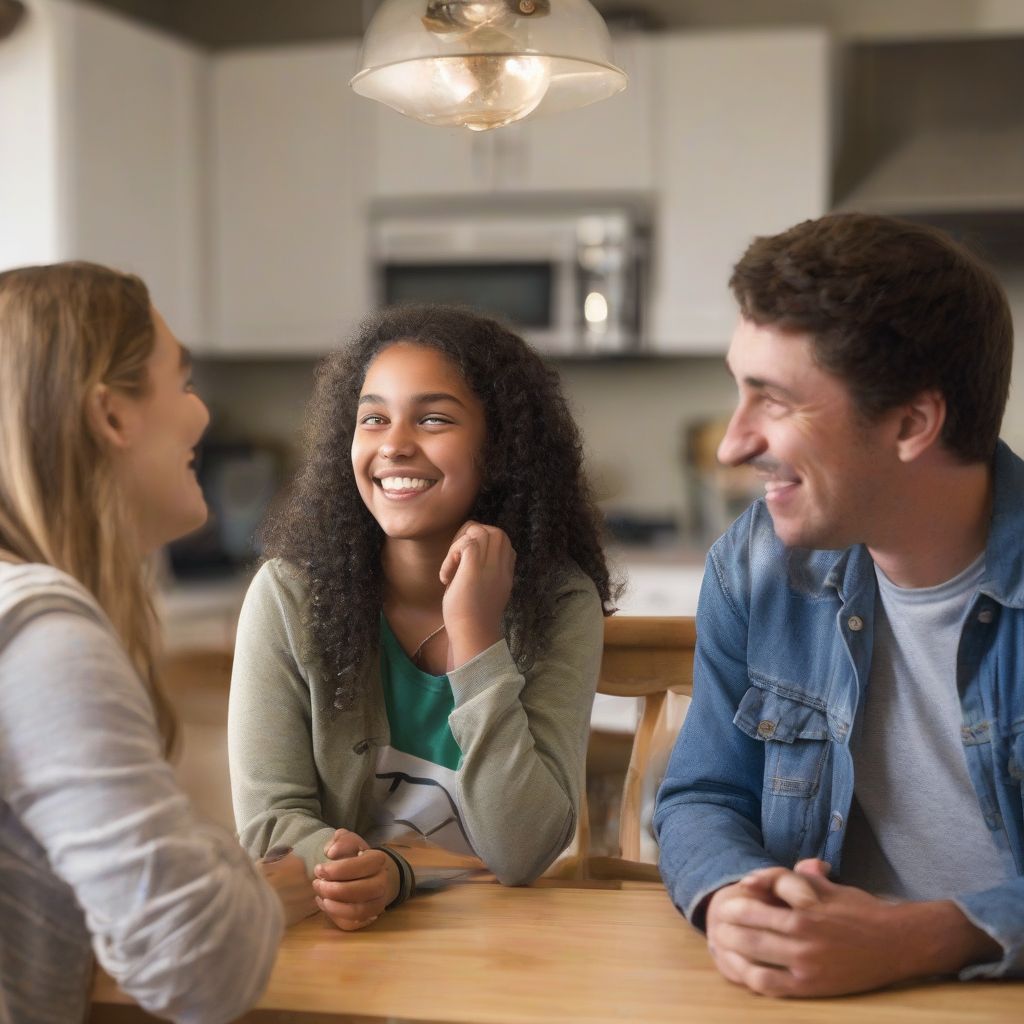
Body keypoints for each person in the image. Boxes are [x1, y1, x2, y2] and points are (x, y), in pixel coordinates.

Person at [653, 212, 1023, 996]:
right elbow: (703, 794)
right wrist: (734, 897)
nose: (731, 443)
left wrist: (920, 938)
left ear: (912, 423)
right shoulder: (753, 565)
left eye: (774, 400)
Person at [228, 304, 614, 931]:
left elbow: (521, 853)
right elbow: (270, 822)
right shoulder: (289, 595)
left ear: (501, 447)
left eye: (433, 418)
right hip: (354, 943)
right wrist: (368, 873)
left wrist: (475, 636)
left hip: (510, 945)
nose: (395, 445)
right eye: (373, 418)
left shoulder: (558, 603)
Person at [0, 262, 314, 1024]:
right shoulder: (42, 641)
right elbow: (199, 967)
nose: (202, 416)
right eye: (181, 384)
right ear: (111, 415)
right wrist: (252, 885)